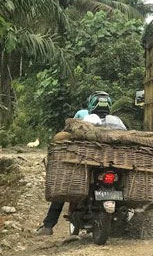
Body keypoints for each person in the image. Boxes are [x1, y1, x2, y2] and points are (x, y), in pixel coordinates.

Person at [36, 92, 127, 235]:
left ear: (92, 104)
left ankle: (48, 225)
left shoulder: (87, 119)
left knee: (65, 185)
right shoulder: (117, 121)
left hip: (90, 161)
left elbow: (71, 135)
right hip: (116, 162)